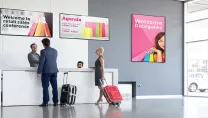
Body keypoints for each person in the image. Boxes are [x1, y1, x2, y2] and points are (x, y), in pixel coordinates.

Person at [37, 38, 58, 107]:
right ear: (49, 43)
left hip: (46, 71)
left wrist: (39, 72)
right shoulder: (55, 51)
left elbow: (41, 62)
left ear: (43, 44)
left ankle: (45, 102)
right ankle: (56, 102)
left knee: (45, 87)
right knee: (54, 87)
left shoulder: (43, 51)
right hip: (54, 71)